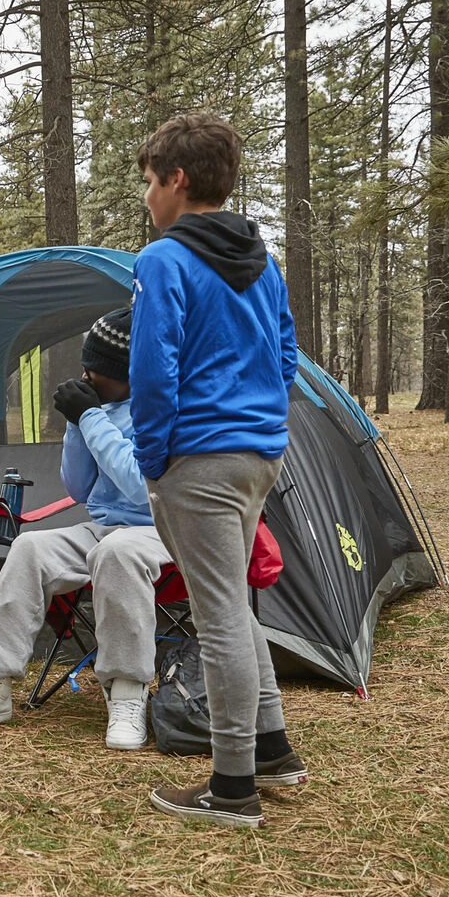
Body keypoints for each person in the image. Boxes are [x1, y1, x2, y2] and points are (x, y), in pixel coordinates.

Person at [128, 111, 307, 829]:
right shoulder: (262, 260)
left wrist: (153, 459)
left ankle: (232, 787)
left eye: (148, 181)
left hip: (198, 458)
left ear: (177, 179)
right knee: (235, 602)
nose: (146, 196)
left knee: (218, 615)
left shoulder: (163, 262)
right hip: (260, 453)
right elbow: (288, 357)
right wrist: (262, 422)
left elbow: (152, 372)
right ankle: (272, 748)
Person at [0, 306, 175, 749]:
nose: (87, 374)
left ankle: (127, 691)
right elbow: (80, 488)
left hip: (166, 531)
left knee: (116, 552)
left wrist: (91, 419)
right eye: (87, 364)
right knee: (31, 549)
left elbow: (143, 488)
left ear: (133, 373)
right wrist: (77, 424)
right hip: (105, 529)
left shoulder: (166, 408)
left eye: (97, 369)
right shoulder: (102, 406)